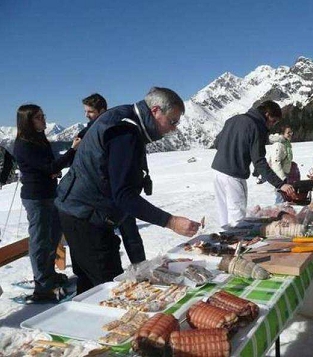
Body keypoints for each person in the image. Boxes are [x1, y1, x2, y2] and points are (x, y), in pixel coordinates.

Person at [55, 87, 200, 294]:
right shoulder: (126, 132)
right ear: (156, 111)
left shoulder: (124, 118)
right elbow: (123, 195)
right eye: (172, 121)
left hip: (79, 214)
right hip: (86, 217)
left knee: (89, 287)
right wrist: (171, 221)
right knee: (112, 291)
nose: (173, 129)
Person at [14, 104, 81, 303]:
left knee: (52, 237)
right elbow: (49, 166)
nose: (44, 120)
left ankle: (49, 275)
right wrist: (71, 151)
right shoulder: (23, 144)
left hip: (49, 193)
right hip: (36, 197)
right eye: (39, 117)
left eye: (43, 116)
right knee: (40, 240)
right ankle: (42, 285)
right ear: (28, 121)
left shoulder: (38, 138)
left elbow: (49, 165)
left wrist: (52, 170)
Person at [78, 93, 146, 265]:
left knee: (130, 233)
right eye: (86, 111)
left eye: (90, 112)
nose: (87, 115)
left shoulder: (117, 131)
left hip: (120, 190)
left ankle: (141, 268)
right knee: (109, 238)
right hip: (100, 197)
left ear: (102, 111)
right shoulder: (86, 132)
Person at [211, 100, 295, 229]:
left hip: (217, 171)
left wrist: (232, 149)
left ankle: (226, 244)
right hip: (234, 174)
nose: (271, 125)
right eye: (273, 121)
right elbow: (259, 161)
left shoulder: (233, 119)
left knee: (224, 214)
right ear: (266, 114)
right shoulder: (257, 127)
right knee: (237, 217)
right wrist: (281, 184)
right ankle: (236, 244)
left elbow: (217, 143)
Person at [267, 125, 294, 203]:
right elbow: (275, 162)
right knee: (281, 197)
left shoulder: (286, 143)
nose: (290, 134)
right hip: (279, 176)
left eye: (291, 132)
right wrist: (282, 178)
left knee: (284, 197)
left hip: (285, 174)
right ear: (282, 134)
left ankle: (282, 211)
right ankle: (278, 213)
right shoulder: (278, 145)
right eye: (288, 132)